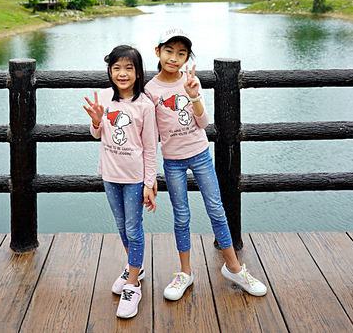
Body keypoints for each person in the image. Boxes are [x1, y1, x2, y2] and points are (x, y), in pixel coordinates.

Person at [147, 28, 268, 301]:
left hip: (200, 154)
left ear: (187, 57)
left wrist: (193, 95)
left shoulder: (191, 82)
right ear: (157, 52)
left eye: (181, 53)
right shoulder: (150, 90)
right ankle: (185, 273)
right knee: (181, 216)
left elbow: (203, 123)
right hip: (172, 161)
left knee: (216, 208)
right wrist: (148, 174)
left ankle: (234, 268)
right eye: (169, 51)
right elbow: (150, 134)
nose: (174, 58)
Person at [83, 45, 158, 319]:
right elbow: (97, 134)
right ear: (109, 71)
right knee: (121, 227)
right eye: (117, 68)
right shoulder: (104, 97)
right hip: (110, 175)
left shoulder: (145, 106)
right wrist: (94, 121)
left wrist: (150, 183)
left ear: (138, 72)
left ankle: (133, 283)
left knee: (134, 228)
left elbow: (151, 148)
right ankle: (134, 265)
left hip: (135, 178)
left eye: (129, 68)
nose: (122, 73)